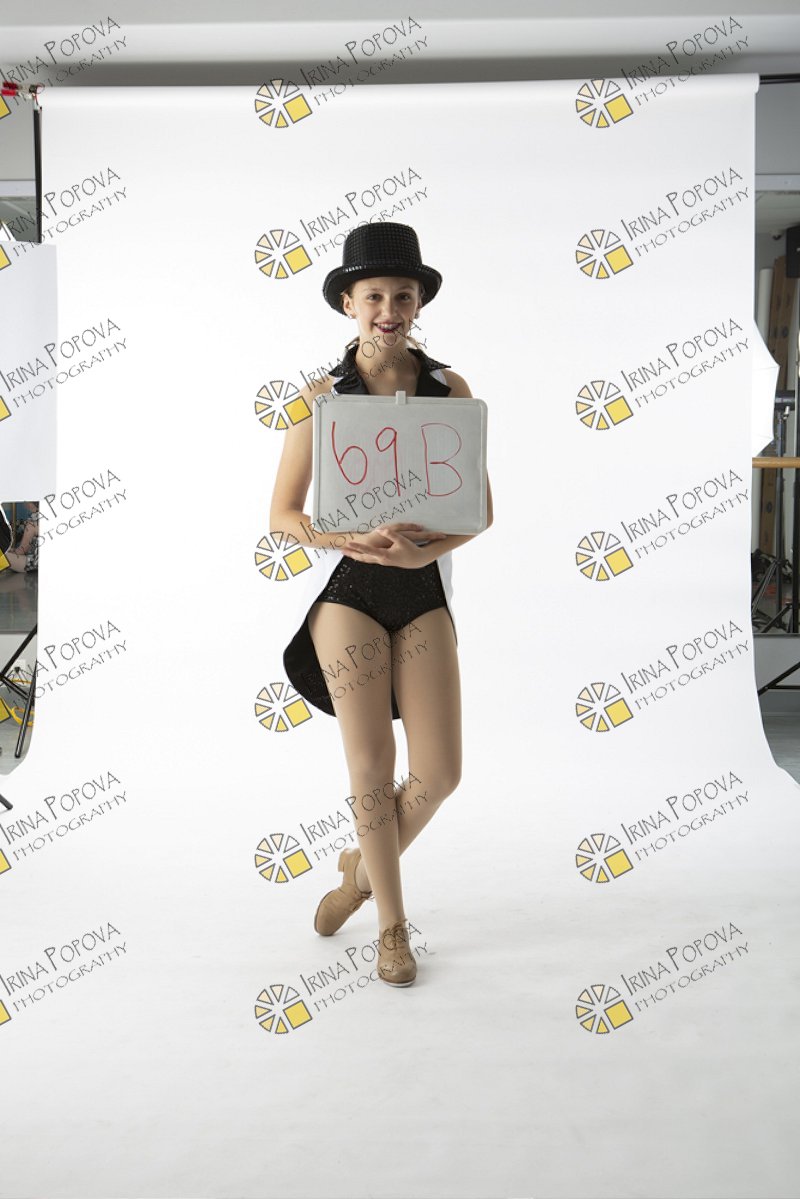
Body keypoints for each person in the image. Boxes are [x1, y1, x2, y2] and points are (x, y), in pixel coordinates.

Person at [270, 223, 493, 987]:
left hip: (421, 588)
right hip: (349, 591)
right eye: (374, 296)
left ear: (419, 302)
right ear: (348, 303)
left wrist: (426, 552)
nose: (389, 310)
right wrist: (344, 536)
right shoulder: (321, 399)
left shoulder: (450, 390)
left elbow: (479, 510)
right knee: (372, 762)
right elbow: (282, 514)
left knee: (441, 772)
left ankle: (360, 872)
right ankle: (392, 928)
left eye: (403, 295)